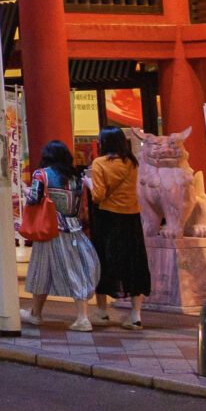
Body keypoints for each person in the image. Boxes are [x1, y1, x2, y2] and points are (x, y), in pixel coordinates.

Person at [24, 140, 101, 332]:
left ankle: (40, 314)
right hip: (73, 230)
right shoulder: (75, 177)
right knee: (77, 270)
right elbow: (77, 207)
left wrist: (26, 191)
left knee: (41, 271)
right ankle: (74, 316)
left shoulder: (41, 174)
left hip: (48, 230)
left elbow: (34, 199)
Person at [83, 129, 150, 328]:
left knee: (102, 262)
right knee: (133, 264)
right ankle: (136, 315)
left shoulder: (100, 163)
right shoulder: (132, 162)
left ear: (105, 143)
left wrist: (88, 182)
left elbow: (99, 195)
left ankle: (102, 311)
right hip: (131, 219)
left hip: (108, 220)